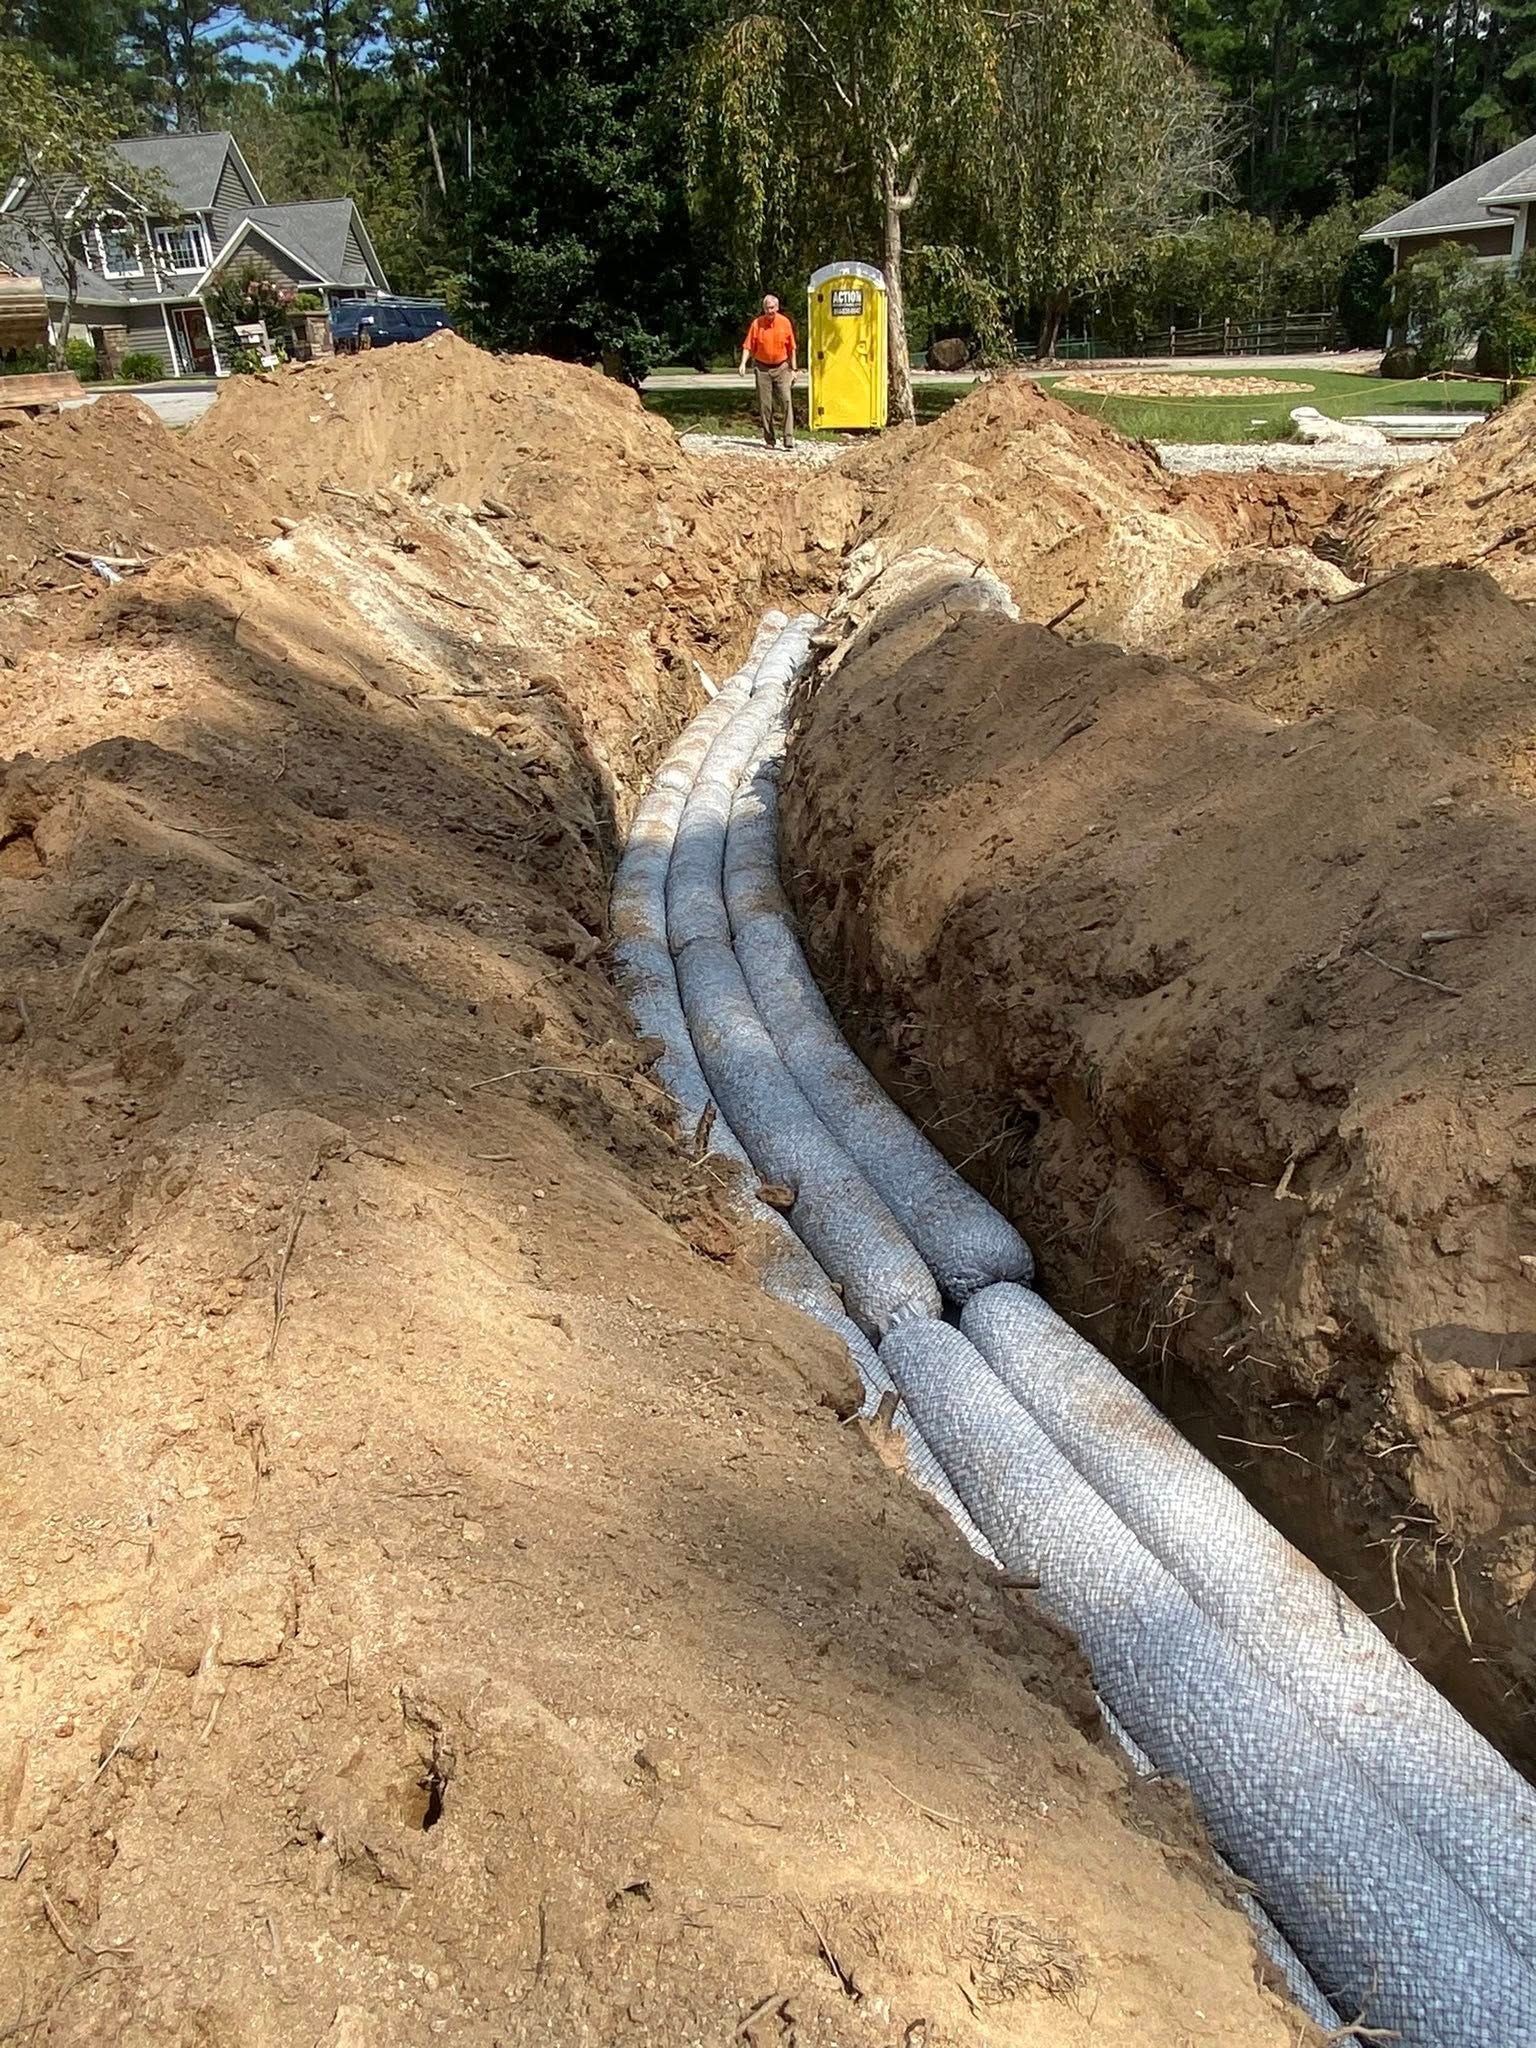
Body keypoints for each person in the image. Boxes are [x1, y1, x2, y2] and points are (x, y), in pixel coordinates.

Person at [739, 293, 797, 449]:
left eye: (772, 308)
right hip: (762, 368)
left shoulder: (785, 323)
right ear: (763, 309)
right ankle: (769, 439)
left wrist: (794, 369)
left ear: (777, 307)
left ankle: (788, 438)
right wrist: (743, 363)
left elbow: (791, 348)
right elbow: (748, 346)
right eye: (766, 308)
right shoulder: (757, 324)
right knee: (765, 405)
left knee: (786, 401)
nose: (769, 311)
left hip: (782, 367)